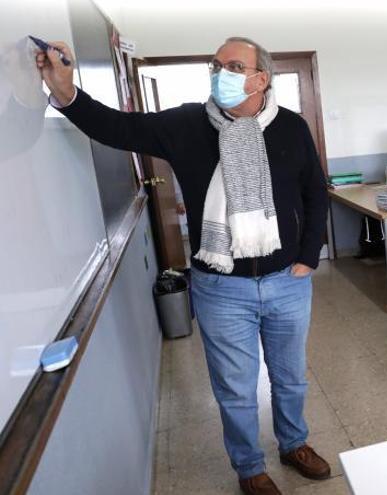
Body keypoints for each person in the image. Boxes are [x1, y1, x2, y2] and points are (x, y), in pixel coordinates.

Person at [37, 37, 330, 494]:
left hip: (287, 282)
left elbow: (315, 192)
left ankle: (294, 444)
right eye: (216, 65)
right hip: (220, 287)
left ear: (260, 78)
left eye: (234, 65)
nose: (221, 73)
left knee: (291, 378)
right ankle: (250, 468)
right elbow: (116, 127)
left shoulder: (290, 127)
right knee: (234, 389)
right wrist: (66, 91)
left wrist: (309, 257)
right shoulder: (187, 123)